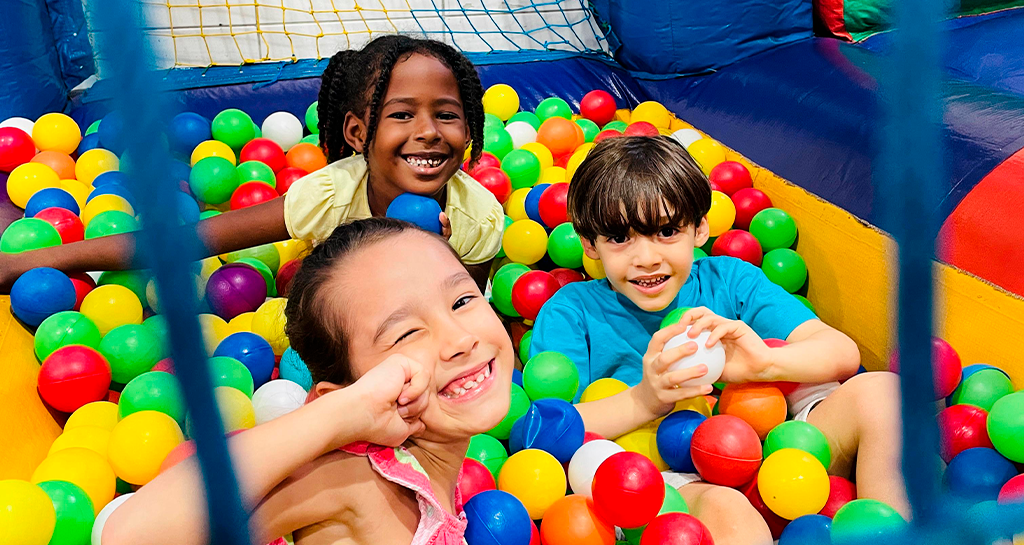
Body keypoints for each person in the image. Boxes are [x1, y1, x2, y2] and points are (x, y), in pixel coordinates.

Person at [530, 136, 906, 545]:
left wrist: (763, 365)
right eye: (620, 238)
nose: (646, 258)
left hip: (777, 449)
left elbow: (841, 353)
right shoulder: (572, 311)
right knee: (727, 508)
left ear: (700, 227)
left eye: (667, 231)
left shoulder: (731, 281)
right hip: (664, 475)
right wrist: (647, 400)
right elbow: (550, 432)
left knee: (883, 393)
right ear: (589, 244)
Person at [100, 217, 515, 545]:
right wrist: (338, 417)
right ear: (351, 396)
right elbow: (133, 534)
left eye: (462, 300)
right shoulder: (356, 480)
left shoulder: (432, 464)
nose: (460, 340)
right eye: (406, 333)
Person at [0, 36, 504, 290]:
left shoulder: (476, 216)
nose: (429, 132)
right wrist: (29, 262)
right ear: (356, 133)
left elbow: (462, 315)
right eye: (401, 114)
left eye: (447, 115)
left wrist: (434, 261)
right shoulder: (330, 195)